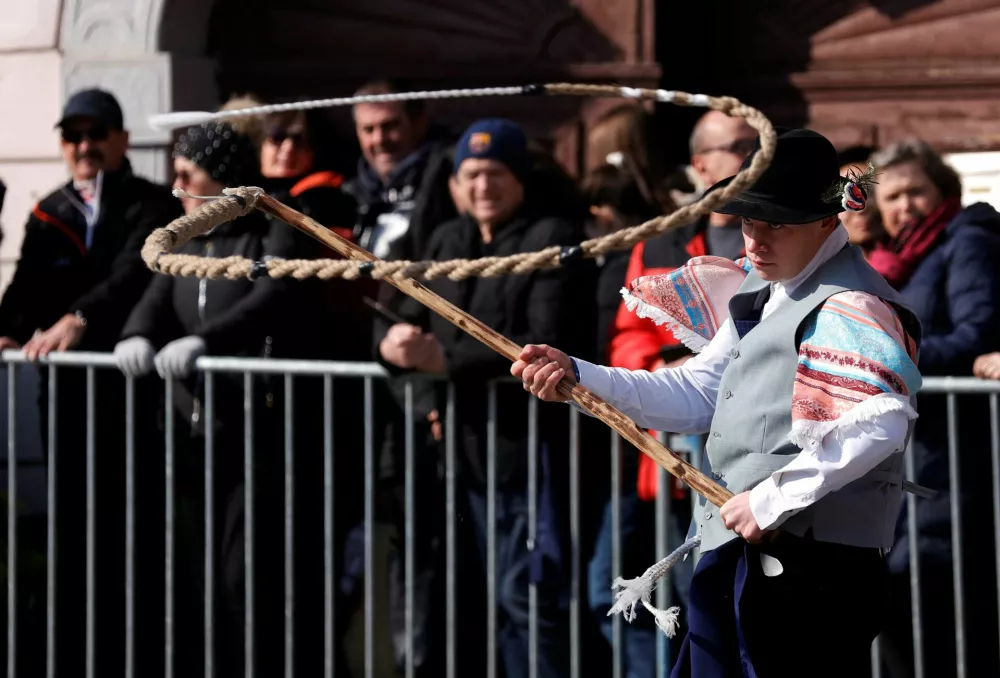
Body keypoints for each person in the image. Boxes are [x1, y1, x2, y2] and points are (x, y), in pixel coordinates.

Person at [511, 129, 925, 677]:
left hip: (813, 571)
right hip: (743, 555)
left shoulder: (853, 301)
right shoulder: (763, 291)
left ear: (829, 220)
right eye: (749, 222)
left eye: (775, 223)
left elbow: (882, 422)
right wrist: (580, 376)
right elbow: (697, 391)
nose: (754, 241)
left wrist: (772, 500)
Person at [373, 118, 597, 678]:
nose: (482, 186)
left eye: (495, 172)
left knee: (530, 596)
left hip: (529, 451)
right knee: (471, 597)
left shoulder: (550, 239)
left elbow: (542, 338)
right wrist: (395, 350)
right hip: (460, 451)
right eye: (470, 174)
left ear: (519, 178)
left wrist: (444, 361)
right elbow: (401, 321)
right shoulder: (446, 241)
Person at [865, 139, 1000, 678]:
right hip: (918, 453)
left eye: (916, 191)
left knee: (936, 592)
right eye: (892, 197)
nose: (904, 206)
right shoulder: (905, 256)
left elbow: (976, 335)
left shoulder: (965, 242)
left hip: (954, 453)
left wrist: (886, 363)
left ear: (943, 191)